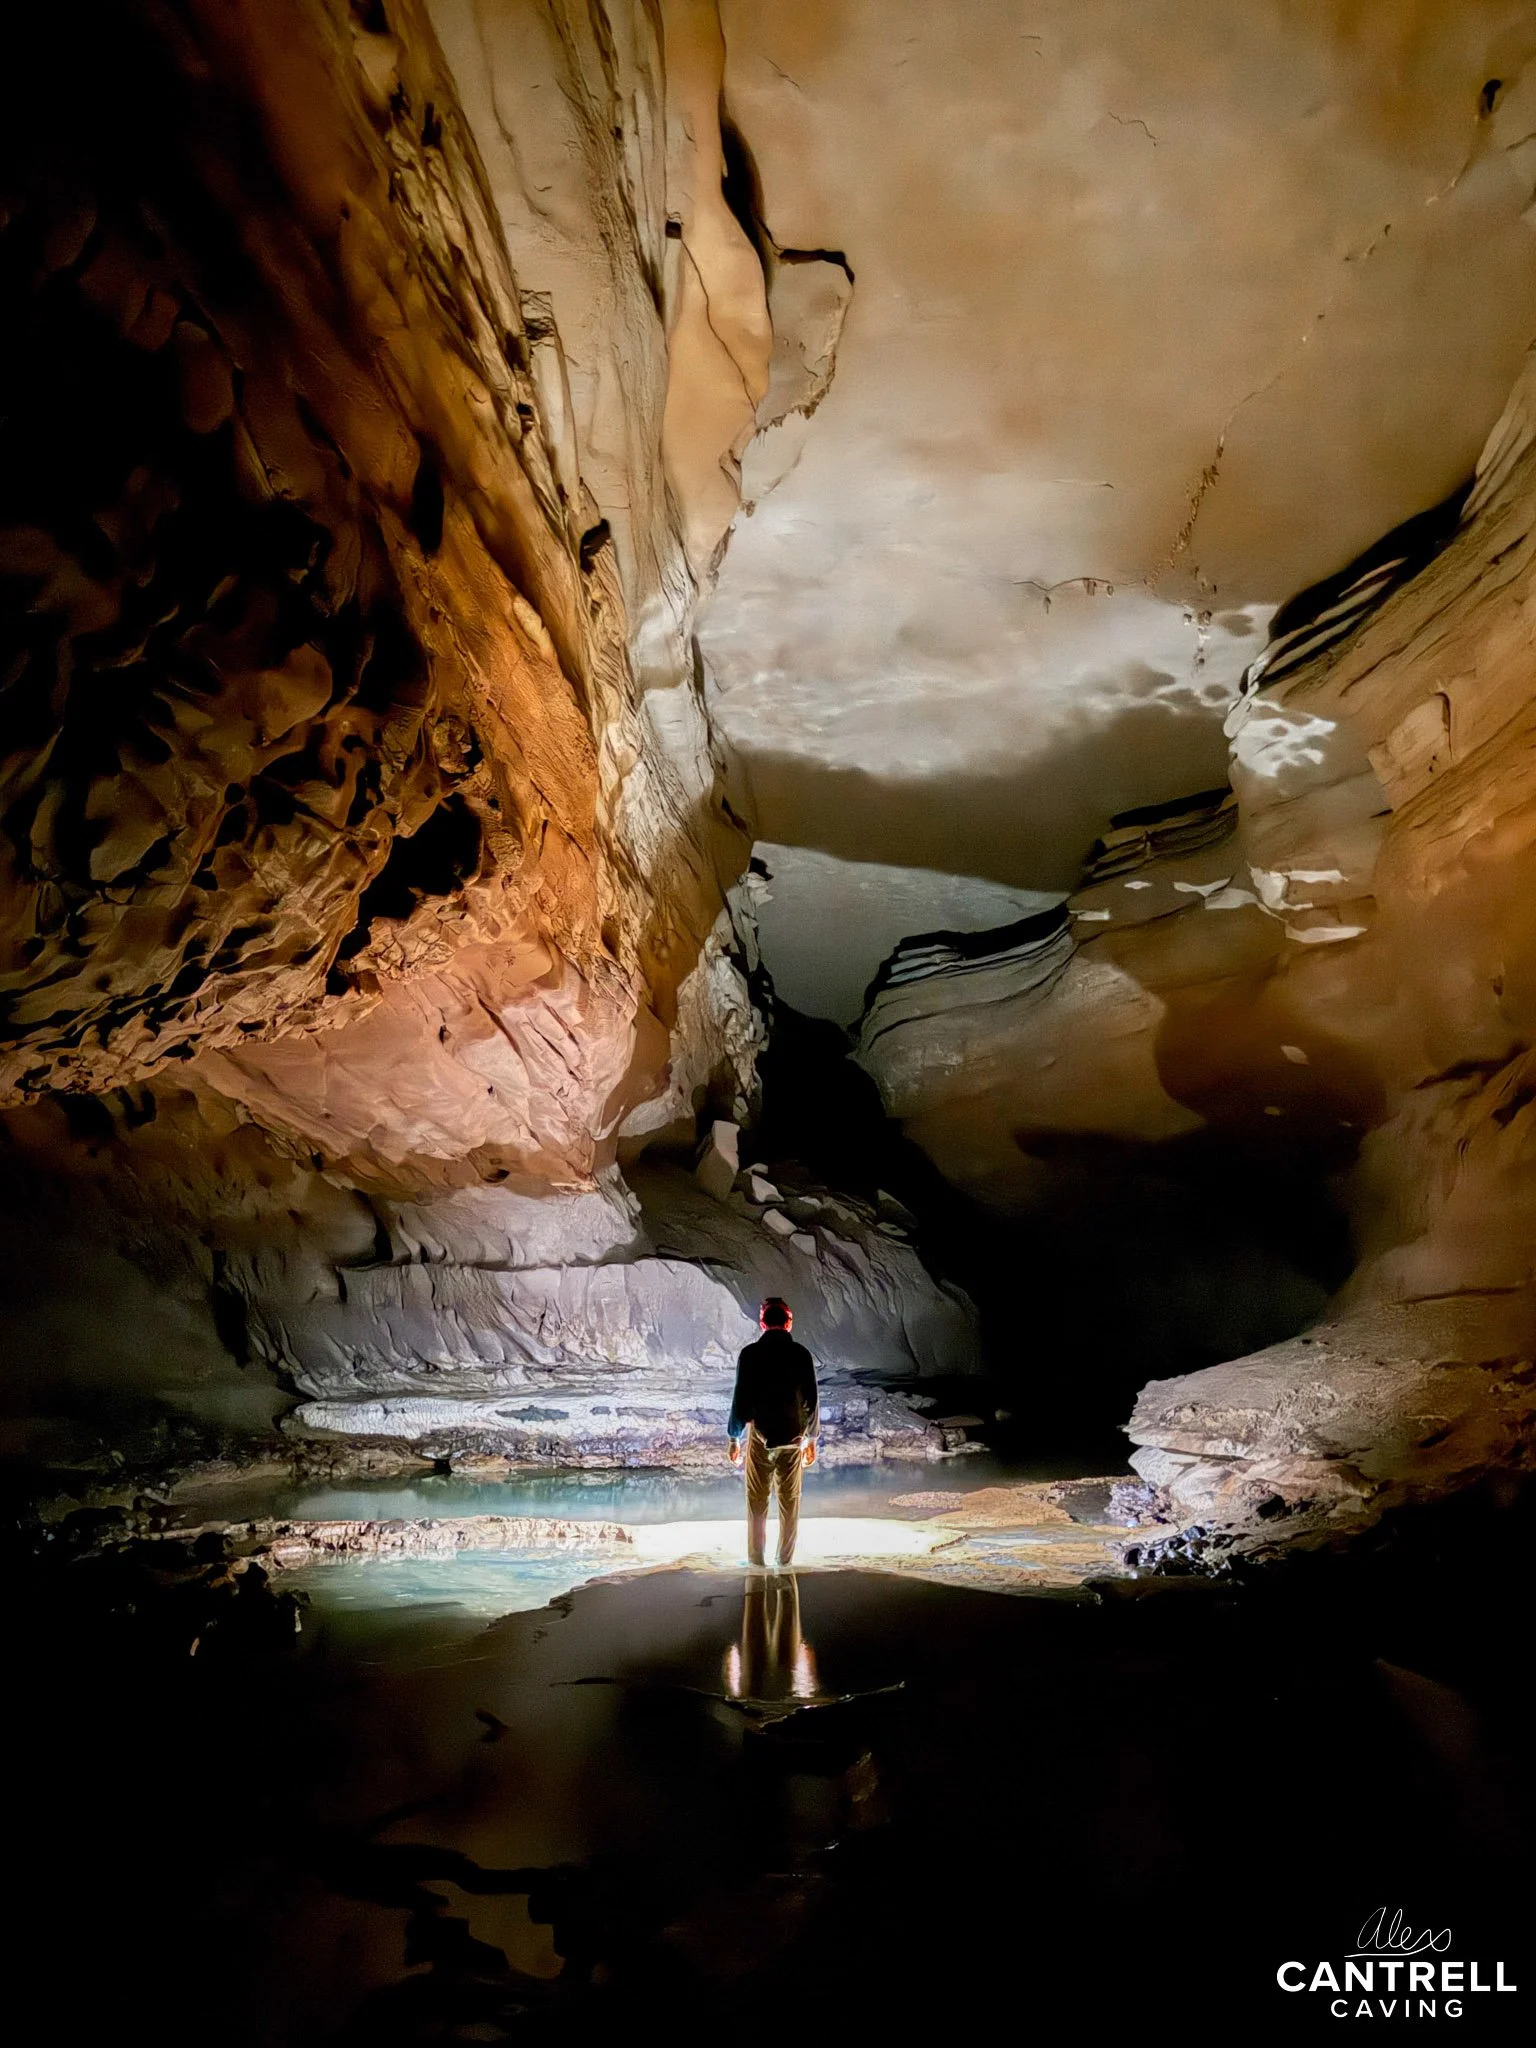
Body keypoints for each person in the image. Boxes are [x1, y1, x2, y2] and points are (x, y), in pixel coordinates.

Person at [726, 1296, 819, 1568]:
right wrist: (811, 1439)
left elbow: (740, 1398)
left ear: (762, 1322)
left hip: (760, 1436)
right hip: (793, 1437)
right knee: (790, 1503)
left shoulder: (750, 1354)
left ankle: (756, 1560)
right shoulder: (801, 1354)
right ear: (789, 1323)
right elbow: (811, 1399)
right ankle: (785, 1561)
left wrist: (734, 1437)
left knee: (757, 1501)